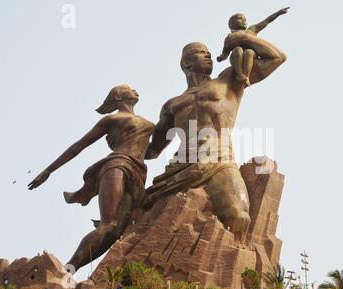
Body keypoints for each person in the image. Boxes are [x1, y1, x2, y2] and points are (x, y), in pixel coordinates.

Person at [144, 32, 286, 244]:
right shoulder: (172, 104)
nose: (208, 55)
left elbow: (277, 57)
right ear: (186, 62)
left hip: (219, 159)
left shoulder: (229, 80)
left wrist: (243, 39)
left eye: (209, 53)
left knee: (238, 216)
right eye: (201, 53)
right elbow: (152, 151)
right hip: (181, 165)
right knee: (148, 217)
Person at [28, 85, 154, 272]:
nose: (135, 90)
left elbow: (151, 152)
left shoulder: (147, 123)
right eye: (129, 89)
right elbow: (78, 146)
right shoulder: (112, 119)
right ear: (118, 98)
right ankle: (68, 270)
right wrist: (49, 170)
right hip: (117, 166)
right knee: (108, 225)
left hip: (139, 173)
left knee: (117, 232)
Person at [217, 7, 289, 86]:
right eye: (240, 18)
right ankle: (240, 74)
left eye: (245, 19)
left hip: (251, 57)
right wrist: (221, 57)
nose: (244, 21)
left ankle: (246, 76)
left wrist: (278, 13)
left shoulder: (251, 30)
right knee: (238, 49)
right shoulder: (229, 37)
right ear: (231, 24)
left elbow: (265, 22)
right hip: (236, 58)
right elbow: (225, 53)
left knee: (249, 52)